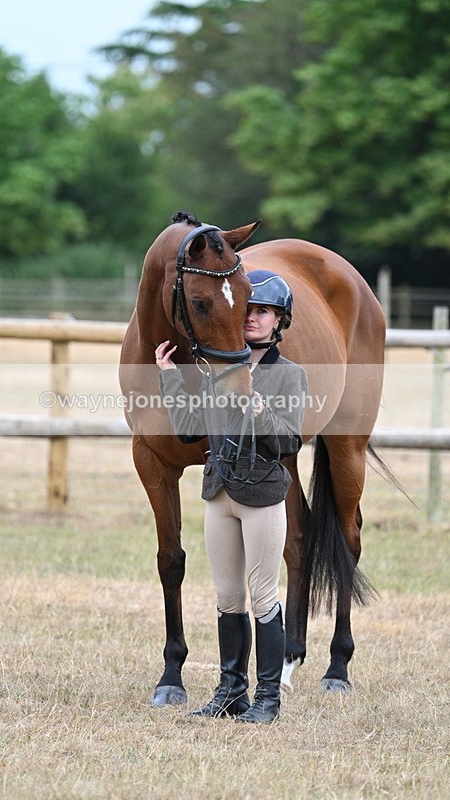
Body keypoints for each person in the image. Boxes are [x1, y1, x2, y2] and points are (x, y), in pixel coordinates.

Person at [155, 270, 308, 724]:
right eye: (250, 309)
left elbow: (291, 443)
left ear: (280, 320)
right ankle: (230, 691)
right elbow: (187, 431)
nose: (253, 318)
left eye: (263, 312)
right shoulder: (217, 372)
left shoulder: (289, 375)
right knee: (226, 597)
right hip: (218, 492)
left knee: (263, 596)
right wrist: (169, 378)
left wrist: (260, 413)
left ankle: (267, 699)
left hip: (262, 495)